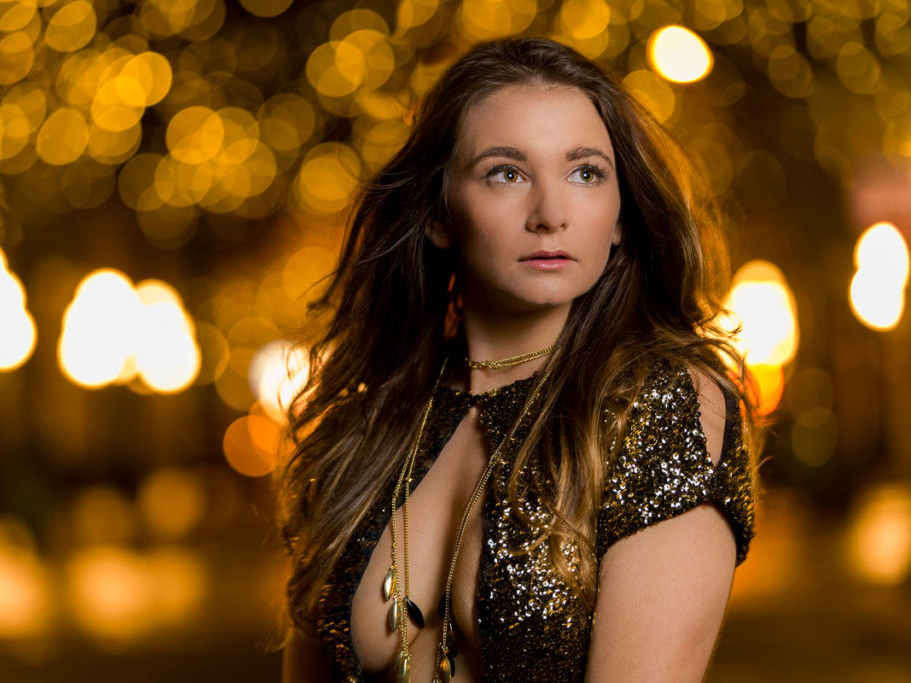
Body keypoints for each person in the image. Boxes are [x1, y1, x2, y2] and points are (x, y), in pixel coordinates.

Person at [277, 37, 760, 683]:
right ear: (439, 211)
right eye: (506, 172)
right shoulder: (367, 430)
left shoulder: (659, 407)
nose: (551, 214)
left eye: (585, 172)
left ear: (620, 215)